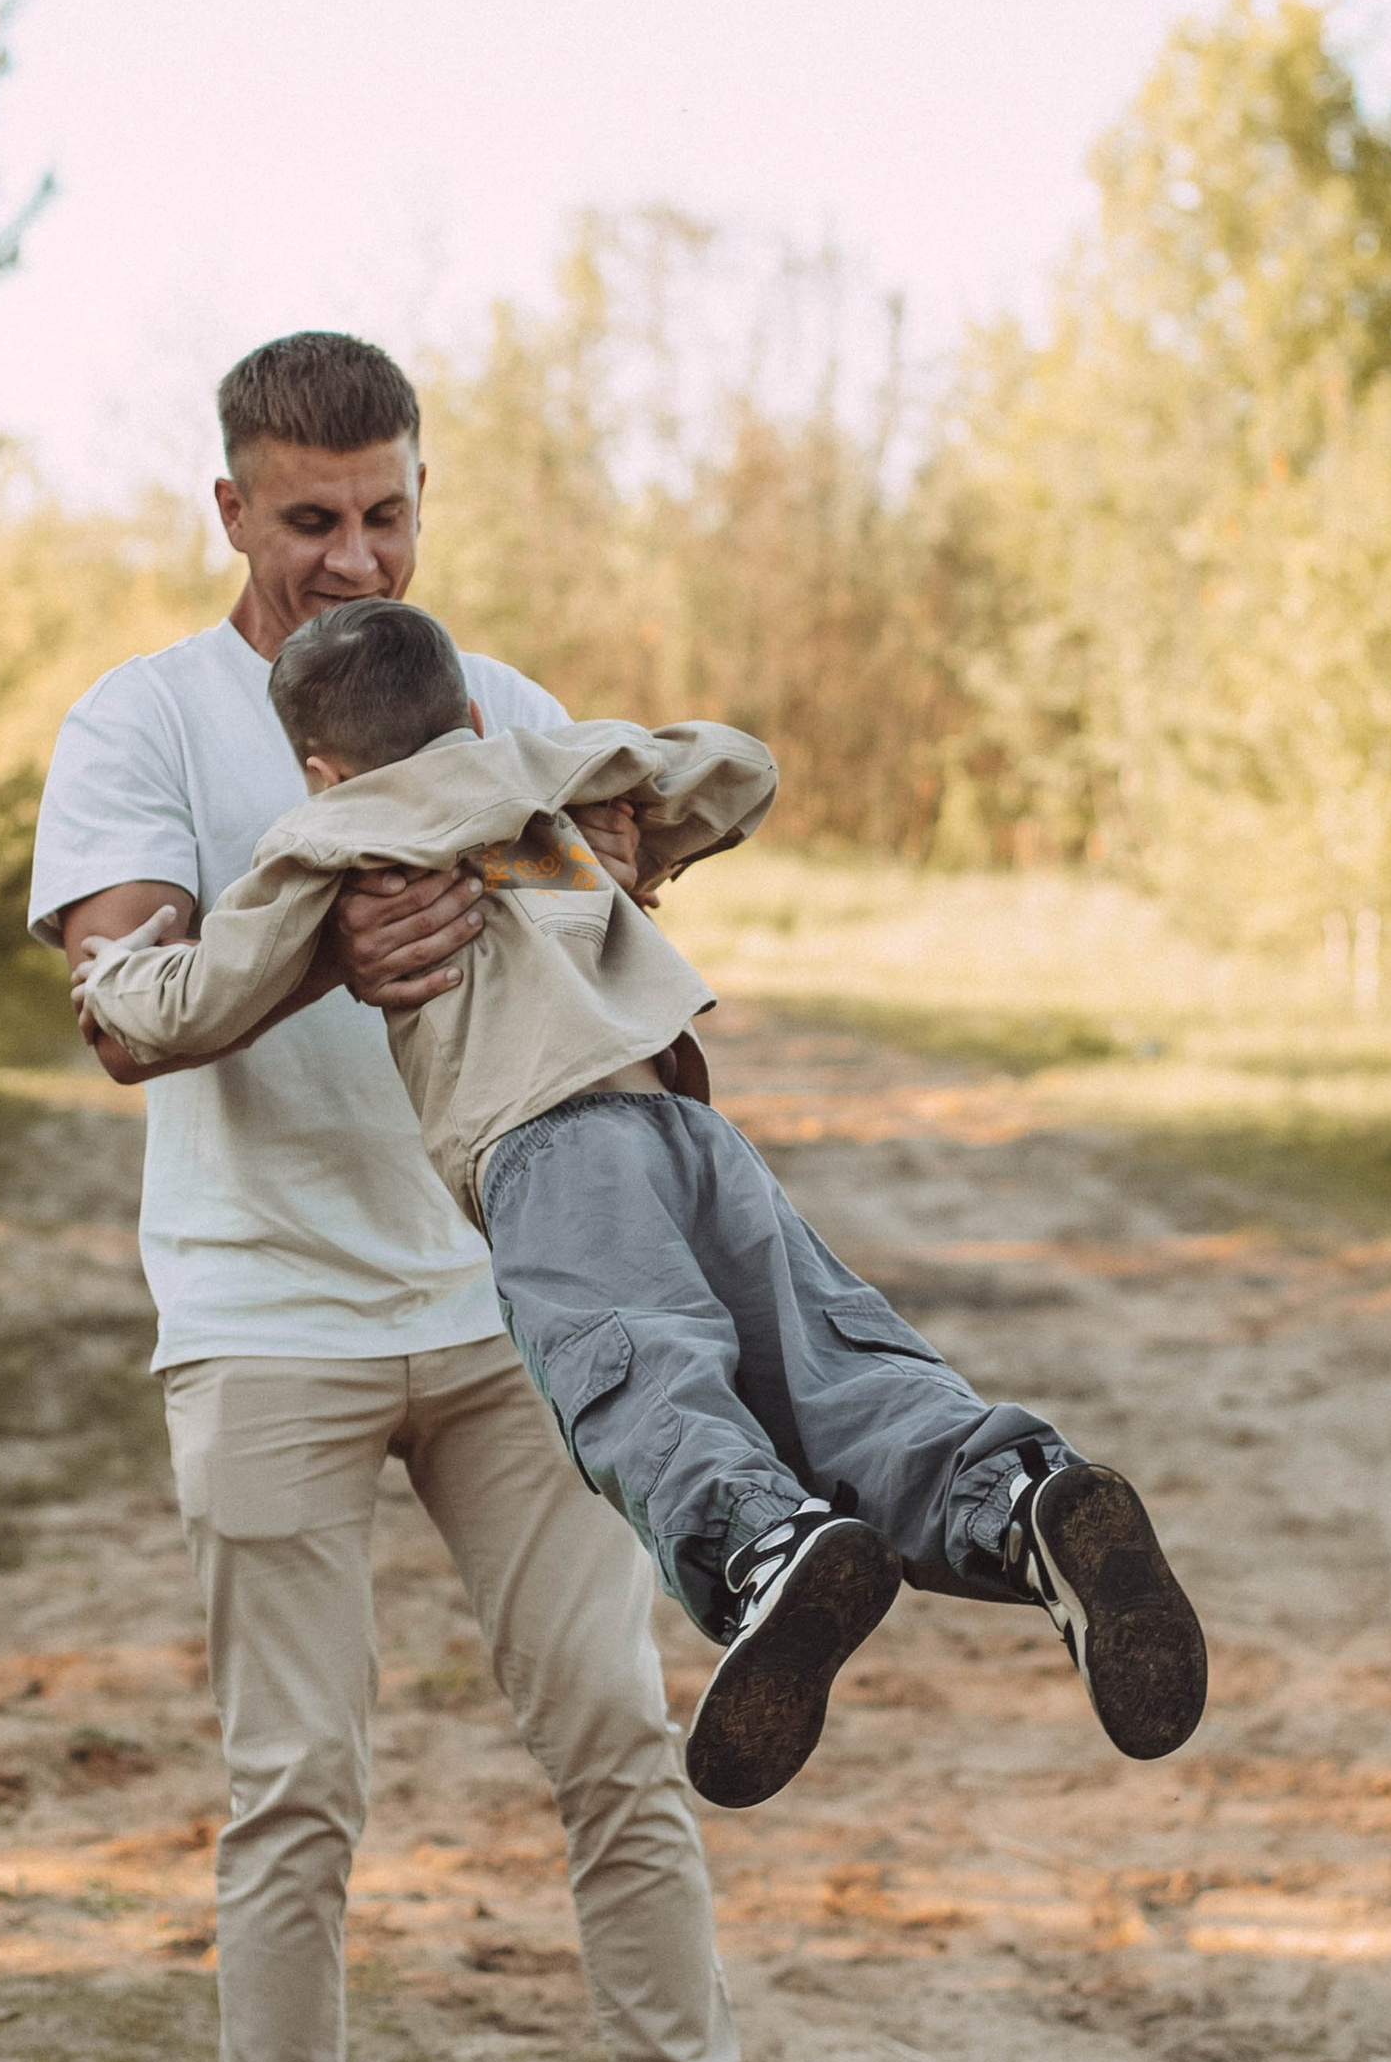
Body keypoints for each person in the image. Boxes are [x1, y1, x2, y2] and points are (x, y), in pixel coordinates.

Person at [30, 331, 755, 2062]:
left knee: (618, 1740)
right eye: (309, 518)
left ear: (422, 496)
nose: (353, 556)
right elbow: (124, 1009)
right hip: (263, 1317)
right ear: (231, 511)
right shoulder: (143, 718)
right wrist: (316, 943)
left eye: (386, 511)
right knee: (299, 1788)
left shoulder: (482, 702)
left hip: (503, 1306)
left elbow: (605, 931)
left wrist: (615, 882)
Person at [72, 594, 1210, 1818]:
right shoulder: (549, 779)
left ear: (319, 768)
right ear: (469, 715)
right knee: (831, 1366)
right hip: (687, 1127)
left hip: (548, 1156)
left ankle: (762, 1548)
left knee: (640, 1373)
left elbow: (195, 1001)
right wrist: (628, 813)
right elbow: (740, 771)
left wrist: (115, 971)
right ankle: (1019, 1498)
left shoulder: (335, 837)